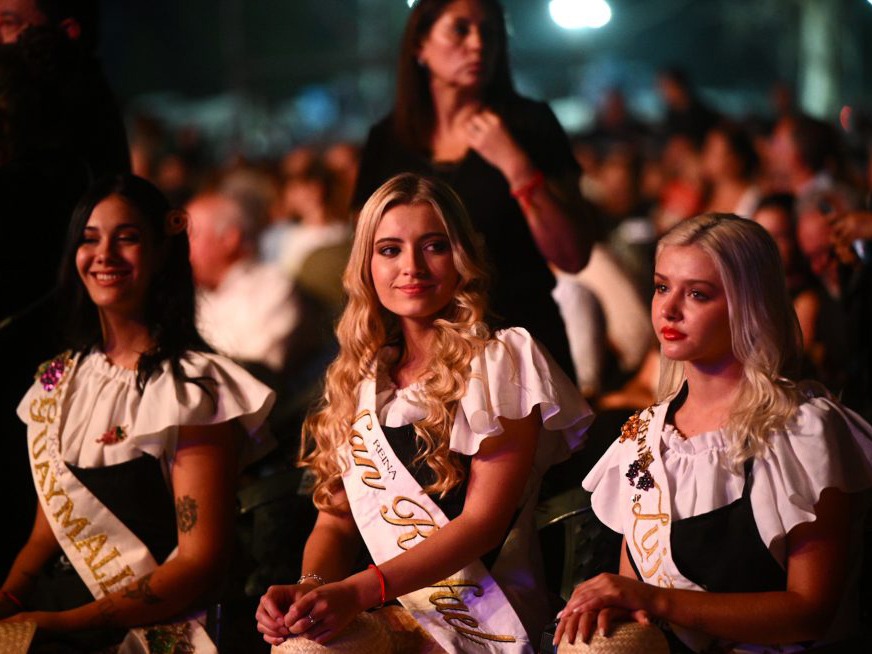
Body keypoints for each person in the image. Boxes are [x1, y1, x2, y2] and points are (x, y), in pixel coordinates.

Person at [255, 173, 593, 652]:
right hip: (383, 608)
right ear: (367, 265)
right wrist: (309, 590)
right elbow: (335, 522)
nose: (411, 266)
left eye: (434, 246)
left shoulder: (503, 360)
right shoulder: (358, 376)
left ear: (461, 258)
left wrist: (358, 591)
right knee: (299, 646)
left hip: (486, 617)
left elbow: (482, 525)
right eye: (390, 250)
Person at [555, 213, 872, 652]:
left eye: (697, 294)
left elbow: (811, 613)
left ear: (749, 305)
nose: (669, 309)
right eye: (662, 287)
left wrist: (655, 600)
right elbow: (639, 591)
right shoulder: (644, 436)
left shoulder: (802, 431)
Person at [0, 174, 275, 652]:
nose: (104, 254)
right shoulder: (59, 379)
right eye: (89, 239)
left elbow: (200, 562)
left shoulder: (192, 387)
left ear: (161, 252)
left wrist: (62, 624)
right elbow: (45, 535)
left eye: (126, 238)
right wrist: (8, 599)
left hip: (143, 629)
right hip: (54, 614)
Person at [351, 0, 594, 381]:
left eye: (490, 32)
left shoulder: (529, 124)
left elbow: (573, 256)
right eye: (460, 29)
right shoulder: (387, 141)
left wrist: (517, 166)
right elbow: (365, 259)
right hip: (417, 355)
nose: (478, 44)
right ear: (420, 45)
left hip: (517, 345)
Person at [187, 190, 300, 375]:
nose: (182, 248)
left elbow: (258, 367)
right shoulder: (189, 294)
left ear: (229, 239)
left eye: (192, 236)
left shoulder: (271, 287)